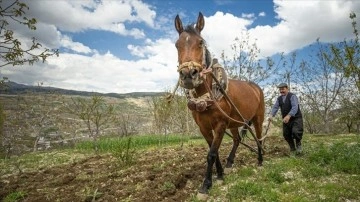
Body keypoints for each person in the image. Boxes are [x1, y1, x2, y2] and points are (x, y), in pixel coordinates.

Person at [268, 83, 304, 155]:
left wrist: (289, 115)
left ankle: (298, 144)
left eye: (283, 89)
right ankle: (292, 148)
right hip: (286, 120)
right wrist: (271, 115)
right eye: (280, 89)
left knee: (296, 132)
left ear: (287, 88)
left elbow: (295, 107)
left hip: (296, 118)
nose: (281, 91)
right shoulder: (279, 99)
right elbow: (275, 107)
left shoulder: (292, 96)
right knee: (286, 134)